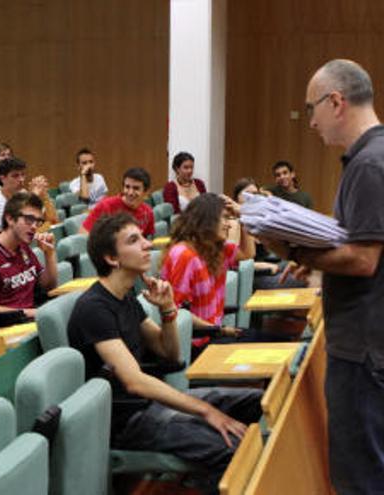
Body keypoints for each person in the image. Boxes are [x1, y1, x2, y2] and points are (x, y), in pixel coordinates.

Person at [260, 59, 384, 493]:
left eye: (312, 108)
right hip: (369, 341)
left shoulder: (370, 164)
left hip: (363, 349)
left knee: (359, 478)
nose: (310, 120)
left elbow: (365, 259)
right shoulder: (373, 157)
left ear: (336, 102)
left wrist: (295, 249)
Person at [68, 213, 261, 485]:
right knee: (233, 451)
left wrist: (168, 309)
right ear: (112, 258)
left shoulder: (125, 298)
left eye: (144, 238)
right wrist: (205, 411)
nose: (147, 245)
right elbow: (134, 382)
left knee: (257, 401)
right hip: (128, 419)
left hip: (151, 403)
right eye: (134, 241)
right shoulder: (94, 309)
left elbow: (169, 353)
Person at [159, 193, 255, 352]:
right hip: (196, 345)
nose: (229, 225)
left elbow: (248, 253)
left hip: (213, 335)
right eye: (224, 218)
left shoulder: (214, 248)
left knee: (280, 341)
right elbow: (176, 312)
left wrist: (243, 216)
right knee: (275, 346)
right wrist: (219, 330)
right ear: (207, 220)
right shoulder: (184, 255)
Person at [0, 192, 58, 319]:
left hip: (33, 316)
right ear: (10, 219)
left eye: (38, 221)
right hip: (12, 324)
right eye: (29, 219)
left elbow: (48, 285)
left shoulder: (23, 246)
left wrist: (49, 255)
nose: (34, 227)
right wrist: (28, 312)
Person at [0, 157, 57, 243]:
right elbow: (18, 226)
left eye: (23, 174)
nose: (21, 179)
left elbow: (51, 220)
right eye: (15, 176)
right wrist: (34, 196)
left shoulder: (22, 193)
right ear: (2, 179)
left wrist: (44, 197)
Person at [80, 167, 155, 237]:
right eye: (127, 187)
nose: (130, 192)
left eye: (136, 188)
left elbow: (146, 240)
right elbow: (83, 234)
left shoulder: (148, 212)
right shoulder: (107, 206)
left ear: (146, 192)